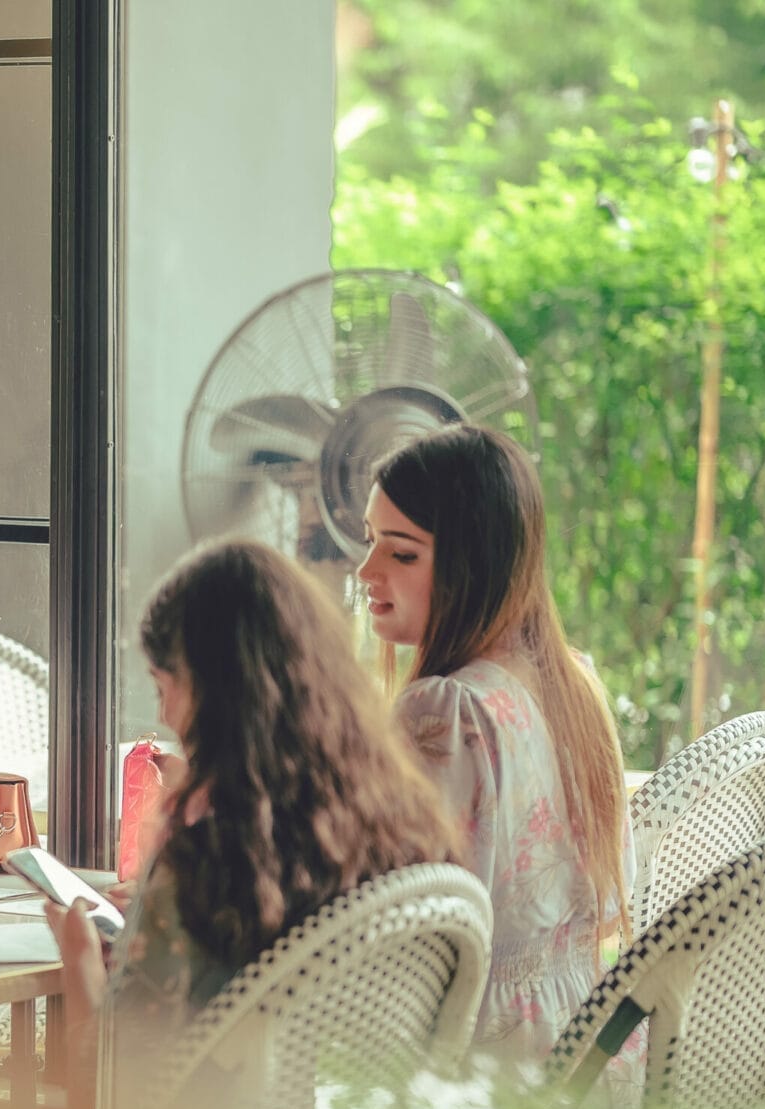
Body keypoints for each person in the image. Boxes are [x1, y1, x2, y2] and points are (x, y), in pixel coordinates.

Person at [49, 539, 457, 1032]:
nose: (162, 714)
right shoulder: (408, 833)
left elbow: (120, 1092)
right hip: (358, 1107)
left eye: (163, 688)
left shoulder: (209, 865)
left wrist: (80, 959)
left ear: (215, 694)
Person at [360, 425, 630, 1063]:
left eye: (401, 554)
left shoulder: (448, 712)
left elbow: (390, 943)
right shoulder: (576, 685)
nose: (366, 571)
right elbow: (612, 911)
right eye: (370, 542)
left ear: (470, 565)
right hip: (583, 1060)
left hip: (480, 1079)